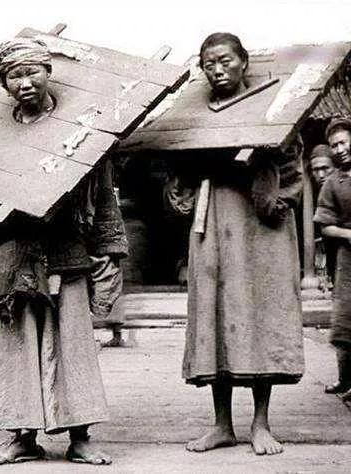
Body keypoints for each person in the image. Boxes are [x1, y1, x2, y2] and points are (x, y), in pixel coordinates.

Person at [0, 37, 127, 465]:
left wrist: (108, 251)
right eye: (14, 75)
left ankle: (80, 436)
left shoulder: (87, 131)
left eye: (32, 72)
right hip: (13, 251)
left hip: (65, 246)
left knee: (73, 345)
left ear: (48, 72)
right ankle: (22, 437)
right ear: (3, 84)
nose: (25, 82)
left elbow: (103, 197)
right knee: (16, 346)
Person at [170, 33, 304, 456]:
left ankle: (261, 423)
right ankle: (222, 424)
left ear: (244, 62)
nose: (217, 70)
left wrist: (274, 196)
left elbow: (292, 164)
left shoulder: (275, 108)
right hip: (213, 217)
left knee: (261, 312)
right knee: (216, 314)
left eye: (225, 60)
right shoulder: (196, 114)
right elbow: (178, 164)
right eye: (208, 64)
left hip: (260, 222)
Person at [315, 117, 351, 399]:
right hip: (347, 259)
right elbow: (325, 225)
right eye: (334, 145)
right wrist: (348, 234)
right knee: (345, 320)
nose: (339, 150)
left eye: (343, 143)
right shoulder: (332, 183)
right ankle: (346, 379)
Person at [309, 145, 337, 286]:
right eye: (316, 170)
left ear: (335, 167)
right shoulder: (312, 195)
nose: (320, 175)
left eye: (325, 168)